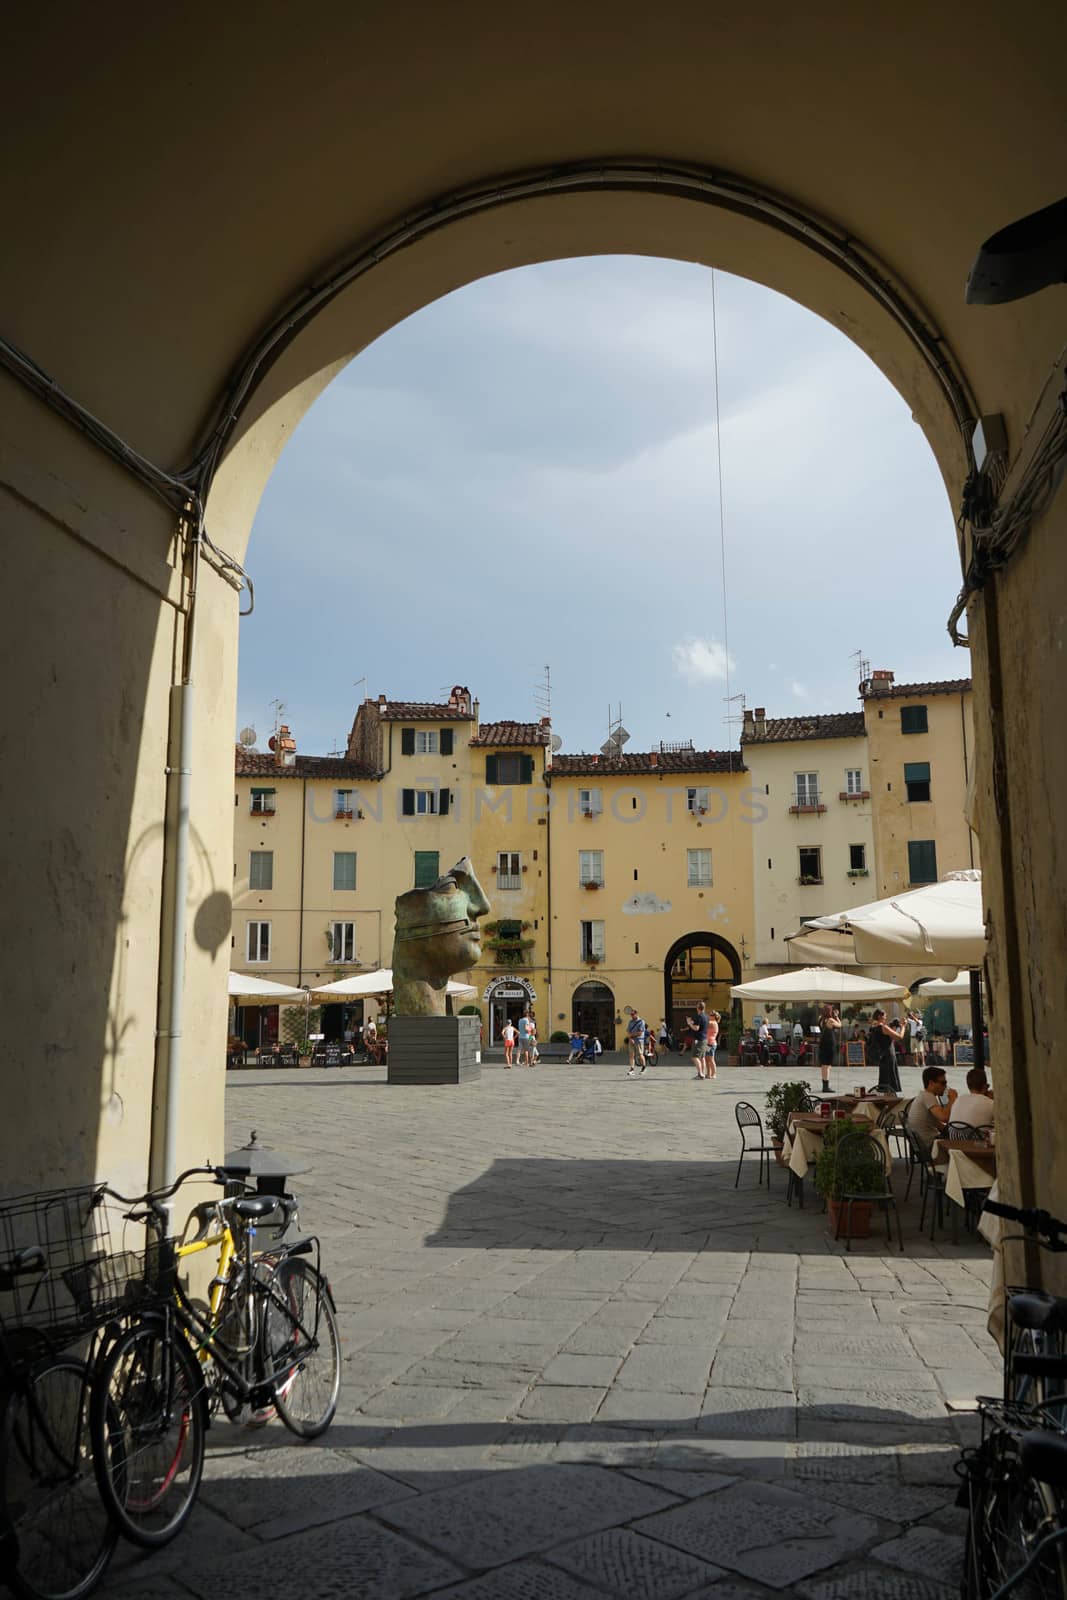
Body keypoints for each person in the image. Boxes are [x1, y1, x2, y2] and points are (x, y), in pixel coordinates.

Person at [906, 1064, 959, 1150]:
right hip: (929, 1145)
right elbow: (944, 1117)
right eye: (943, 1083)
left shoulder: (924, 1095)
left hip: (922, 1144)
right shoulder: (928, 1096)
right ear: (931, 1083)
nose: (945, 1086)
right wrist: (952, 1099)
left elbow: (939, 1125)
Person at [867, 1008, 904, 1092]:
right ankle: (890, 1098)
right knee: (890, 1079)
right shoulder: (884, 1027)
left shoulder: (874, 1027)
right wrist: (903, 1027)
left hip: (882, 1055)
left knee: (884, 1078)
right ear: (880, 1016)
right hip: (889, 1054)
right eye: (885, 1015)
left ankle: (885, 1097)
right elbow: (899, 1037)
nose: (886, 1016)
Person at [952, 1067, 995, 1131]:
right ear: (985, 1086)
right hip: (975, 1138)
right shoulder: (990, 1103)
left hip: (954, 1139)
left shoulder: (959, 1099)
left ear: (968, 1086)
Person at [818, 1004, 840, 1093]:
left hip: (823, 1043)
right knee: (827, 1066)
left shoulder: (820, 1019)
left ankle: (824, 1085)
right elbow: (839, 1025)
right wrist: (836, 1016)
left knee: (824, 1065)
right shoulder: (830, 1020)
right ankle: (826, 1087)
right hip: (829, 1044)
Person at [688, 1000, 712, 1079]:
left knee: (695, 1057)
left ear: (698, 1008)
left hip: (698, 1039)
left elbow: (696, 1028)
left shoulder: (699, 1017)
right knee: (702, 1057)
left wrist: (690, 1023)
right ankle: (702, 1073)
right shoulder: (706, 1016)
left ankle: (700, 1074)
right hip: (704, 1038)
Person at [626, 1007, 647, 1077]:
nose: (631, 1016)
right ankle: (632, 1069)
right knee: (631, 1055)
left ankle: (644, 1067)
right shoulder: (630, 1022)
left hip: (639, 1040)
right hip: (631, 1041)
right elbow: (628, 1031)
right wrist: (630, 1038)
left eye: (632, 1014)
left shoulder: (641, 1022)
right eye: (631, 1015)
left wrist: (631, 1035)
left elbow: (640, 1033)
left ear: (636, 1014)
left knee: (640, 1054)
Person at [705, 1009, 720, 1079]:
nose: (709, 1016)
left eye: (710, 1015)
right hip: (707, 1043)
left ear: (714, 1016)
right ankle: (708, 1074)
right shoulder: (711, 1022)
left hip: (711, 1043)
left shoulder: (713, 1023)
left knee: (711, 1059)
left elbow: (706, 1023)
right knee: (706, 1059)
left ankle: (714, 1074)